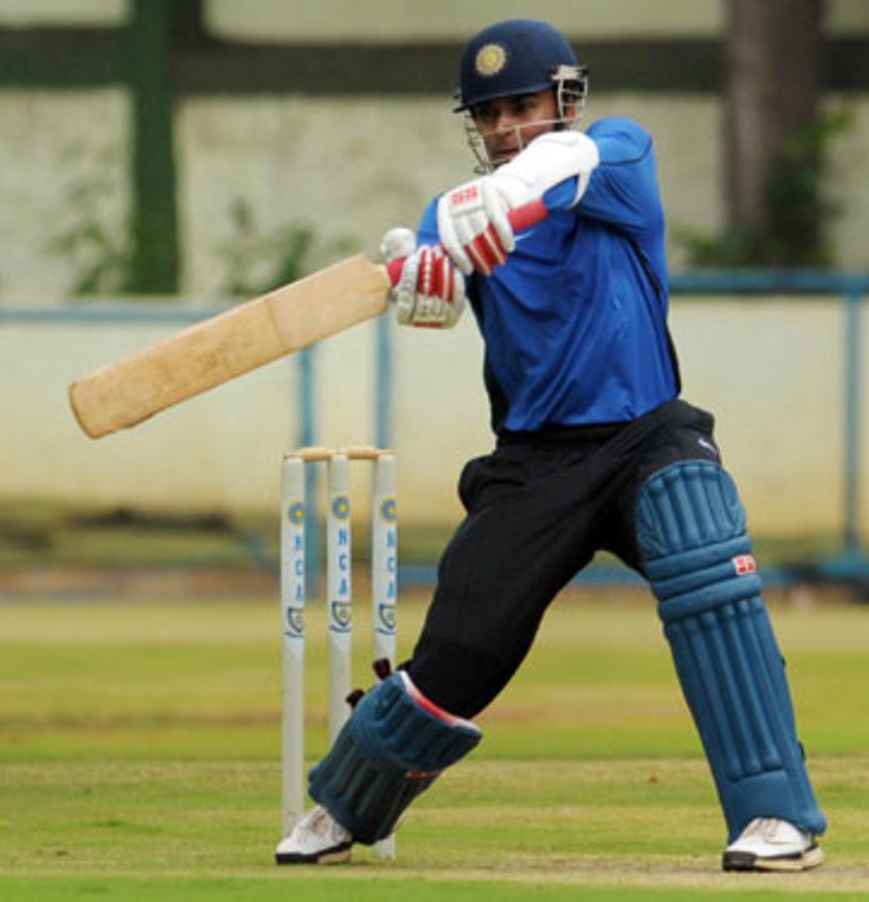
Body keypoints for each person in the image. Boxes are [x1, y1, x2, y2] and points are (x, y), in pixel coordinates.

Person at [275, 18, 826, 873]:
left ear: (566, 99)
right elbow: (438, 294)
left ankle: (774, 817)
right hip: (532, 463)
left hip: (647, 435)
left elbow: (563, 169)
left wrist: (491, 204)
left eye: (522, 106)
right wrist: (431, 274)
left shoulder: (617, 157)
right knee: (461, 646)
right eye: (488, 114)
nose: (504, 129)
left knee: (707, 565)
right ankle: (348, 803)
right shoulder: (449, 216)